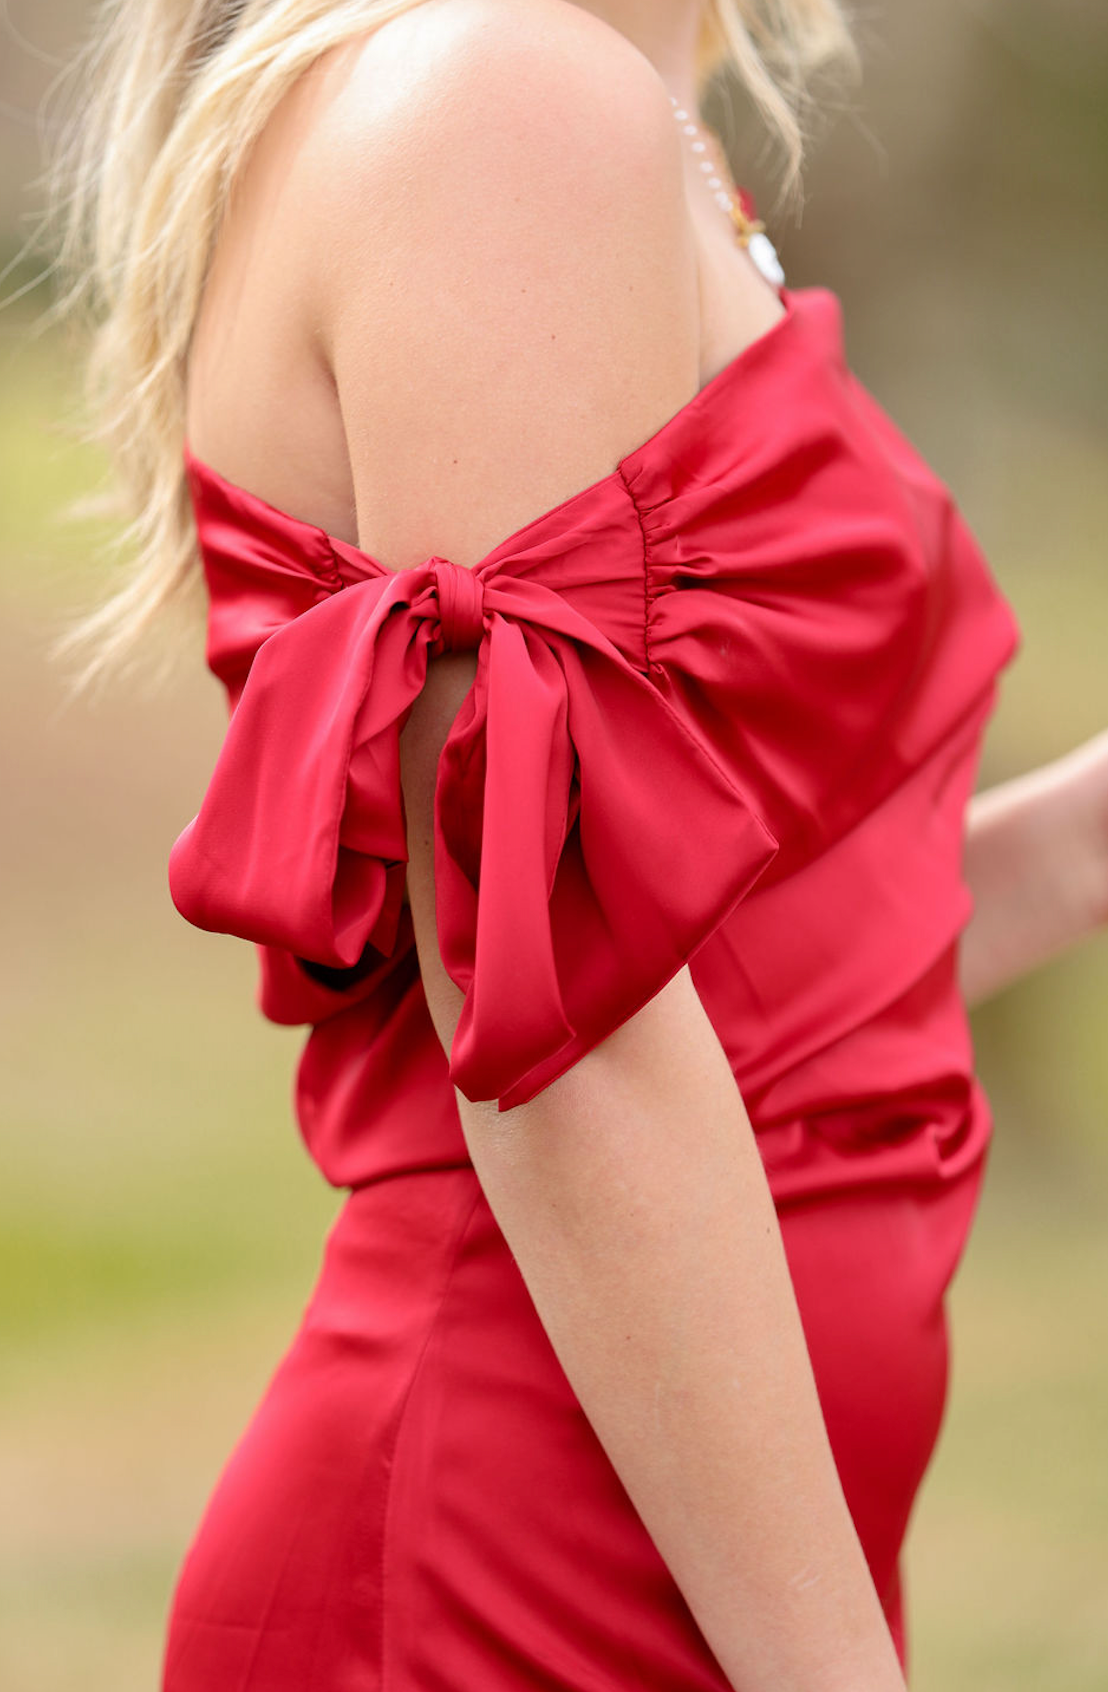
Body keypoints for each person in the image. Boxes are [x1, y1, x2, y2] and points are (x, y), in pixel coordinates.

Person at [44, 0, 1108, 1687]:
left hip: (691, 1552)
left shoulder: (631, 113)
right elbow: (564, 1024)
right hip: (521, 1572)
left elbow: (784, 968)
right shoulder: (506, 100)